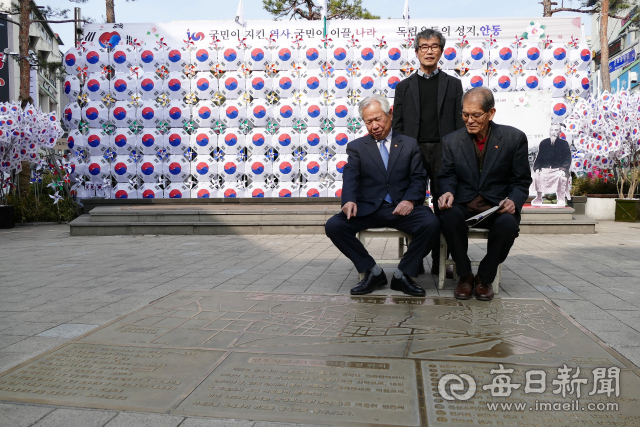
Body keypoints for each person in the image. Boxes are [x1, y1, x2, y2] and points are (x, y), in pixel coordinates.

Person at [325, 95, 441, 296]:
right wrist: (349, 200)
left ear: (390, 115)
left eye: (378, 119)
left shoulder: (409, 144)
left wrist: (410, 200)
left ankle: (403, 274)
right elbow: (350, 174)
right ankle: (372, 271)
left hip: (401, 207)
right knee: (334, 225)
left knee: (431, 224)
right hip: (368, 207)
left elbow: (419, 178)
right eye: (368, 122)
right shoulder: (357, 147)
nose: (374, 126)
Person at [437, 87, 532, 301]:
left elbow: (521, 180)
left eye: (476, 115)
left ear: (491, 113)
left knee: (508, 226)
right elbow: (446, 175)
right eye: (465, 115)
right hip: (464, 202)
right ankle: (464, 275)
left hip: (497, 205)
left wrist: (513, 201)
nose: (469, 120)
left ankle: (484, 277)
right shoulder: (452, 141)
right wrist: (447, 192)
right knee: (448, 217)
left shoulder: (514, 138)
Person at [392, 28, 465, 275]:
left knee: (445, 204)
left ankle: (441, 260)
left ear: (441, 51)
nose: (429, 51)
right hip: (413, 151)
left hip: (444, 151)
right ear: (416, 51)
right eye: (424, 47)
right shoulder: (403, 87)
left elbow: (459, 123)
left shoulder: (454, 85)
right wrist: (400, 152)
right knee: (413, 202)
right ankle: (415, 259)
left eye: (434, 46)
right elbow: (398, 124)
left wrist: (456, 152)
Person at [531, 124, 571, 207]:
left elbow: (567, 159)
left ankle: (560, 198)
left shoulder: (564, 144)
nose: (553, 132)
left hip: (558, 169)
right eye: (552, 130)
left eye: (556, 130)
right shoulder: (544, 143)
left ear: (560, 132)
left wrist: (563, 170)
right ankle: (539, 197)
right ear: (549, 131)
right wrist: (537, 168)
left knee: (561, 177)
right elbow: (539, 157)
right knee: (537, 176)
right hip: (545, 169)